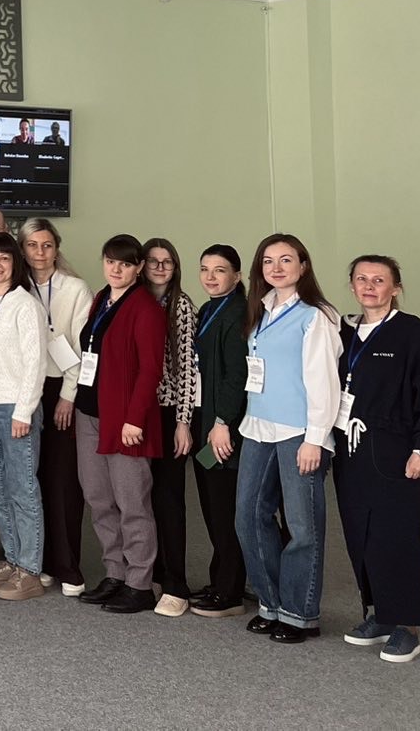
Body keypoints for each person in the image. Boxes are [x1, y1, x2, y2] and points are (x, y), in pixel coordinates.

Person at [334, 255, 420, 664]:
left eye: (379, 280)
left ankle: (406, 626)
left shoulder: (412, 333)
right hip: (351, 450)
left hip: (399, 452)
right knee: (362, 535)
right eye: (361, 279)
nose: (369, 286)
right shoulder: (343, 332)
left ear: (395, 288)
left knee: (401, 537)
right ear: (351, 286)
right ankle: (379, 613)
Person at [235, 234, 342, 644]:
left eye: (285, 260)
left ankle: (300, 613)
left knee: (302, 527)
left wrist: (316, 438)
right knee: (248, 517)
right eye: (268, 261)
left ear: (303, 266)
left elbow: (324, 382)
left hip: (300, 432)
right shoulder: (261, 310)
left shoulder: (317, 315)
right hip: (258, 427)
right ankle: (271, 603)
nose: (276, 268)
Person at [73, 236, 168, 615]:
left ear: (139, 267)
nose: (116, 269)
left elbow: (150, 370)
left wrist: (134, 419)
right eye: (111, 261)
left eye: (125, 264)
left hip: (125, 421)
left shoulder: (146, 309)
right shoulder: (101, 299)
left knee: (132, 503)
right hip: (89, 413)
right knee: (98, 498)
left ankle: (140, 583)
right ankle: (115, 572)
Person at [0, 233, 48, 602]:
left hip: (15, 408)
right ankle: (13, 560)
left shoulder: (25, 304)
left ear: (15, 263)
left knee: (23, 489)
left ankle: (30, 570)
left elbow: (36, 361)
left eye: (3, 258)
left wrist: (24, 410)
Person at [20, 218, 93, 598]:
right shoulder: (15, 287)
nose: (40, 252)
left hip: (63, 387)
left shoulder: (76, 288)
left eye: (47, 245)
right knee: (31, 476)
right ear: (23, 249)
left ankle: (67, 566)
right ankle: (40, 560)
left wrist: (68, 394)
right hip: (25, 389)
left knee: (63, 479)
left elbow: (83, 347)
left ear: (56, 248)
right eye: (32, 245)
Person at [189, 245, 250, 619]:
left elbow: (237, 376)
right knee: (213, 507)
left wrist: (222, 423)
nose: (210, 277)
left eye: (220, 270)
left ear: (237, 276)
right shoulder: (209, 309)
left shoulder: (238, 313)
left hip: (223, 428)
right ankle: (222, 580)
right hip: (206, 420)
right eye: (205, 269)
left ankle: (230, 592)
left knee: (225, 509)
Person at [143, 238, 201, 617]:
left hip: (168, 414)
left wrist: (183, 421)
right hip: (140, 413)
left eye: (168, 262)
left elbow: (187, 371)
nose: (161, 268)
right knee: (143, 497)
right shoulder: (135, 301)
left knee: (168, 498)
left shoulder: (180, 306)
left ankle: (176, 584)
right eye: (154, 261)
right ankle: (153, 573)